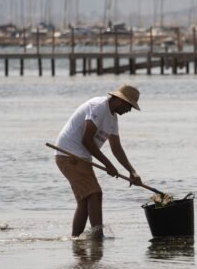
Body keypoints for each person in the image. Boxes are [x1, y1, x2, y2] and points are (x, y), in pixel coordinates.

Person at [54, 85, 143, 237]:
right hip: (70, 155)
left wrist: (132, 171)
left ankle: (76, 241)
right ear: (118, 100)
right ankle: (97, 237)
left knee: (85, 200)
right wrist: (108, 165)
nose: (129, 110)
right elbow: (86, 140)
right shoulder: (99, 107)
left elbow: (116, 148)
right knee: (95, 194)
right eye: (129, 106)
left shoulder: (112, 118)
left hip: (80, 156)